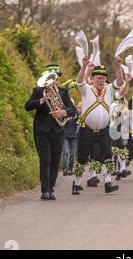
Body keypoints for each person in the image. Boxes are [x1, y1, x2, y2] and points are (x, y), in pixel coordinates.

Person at [71, 56, 126, 195]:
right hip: (87, 130)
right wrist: (84, 67)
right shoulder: (86, 90)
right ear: (93, 79)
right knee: (82, 158)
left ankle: (108, 183)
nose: (101, 80)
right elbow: (79, 81)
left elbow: (120, 81)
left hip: (104, 130)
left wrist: (118, 67)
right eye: (98, 78)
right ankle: (76, 183)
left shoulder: (109, 89)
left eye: (103, 78)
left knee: (108, 155)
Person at [25, 64, 76, 200]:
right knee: (45, 159)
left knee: (55, 161)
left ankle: (51, 189)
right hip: (42, 130)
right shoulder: (37, 91)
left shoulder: (64, 92)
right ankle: (44, 191)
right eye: (52, 78)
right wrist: (43, 99)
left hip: (58, 130)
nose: (54, 81)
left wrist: (62, 112)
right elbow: (27, 106)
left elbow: (73, 110)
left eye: (57, 78)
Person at [62, 100, 80, 177]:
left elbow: (78, 120)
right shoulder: (63, 113)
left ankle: (70, 168)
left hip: (74, 137)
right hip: (65, 136)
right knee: (65, 153)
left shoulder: (75, 113)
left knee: (73, 154)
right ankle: (65, 168)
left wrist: (78, 111)